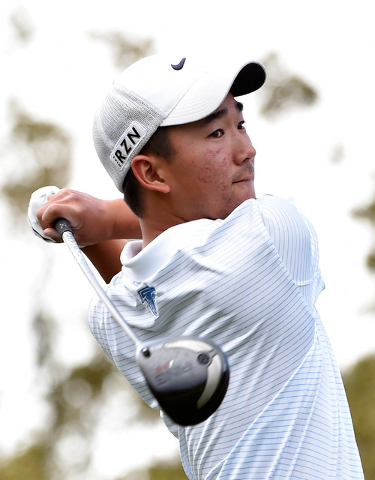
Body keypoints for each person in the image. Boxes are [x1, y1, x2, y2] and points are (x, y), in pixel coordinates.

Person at [29, 54, 364, 479]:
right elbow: (202, 236)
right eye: (217, 133)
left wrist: (93, 224)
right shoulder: (272, 237)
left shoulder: (111, 315)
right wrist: (104, 216)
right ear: (151, 172)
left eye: (240, 124)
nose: (247, 150)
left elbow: (146, 270)